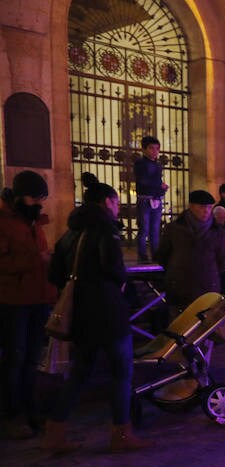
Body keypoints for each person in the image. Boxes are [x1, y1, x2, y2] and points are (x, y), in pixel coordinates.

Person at [44, 182, 152, 452]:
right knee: (122, 372)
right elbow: (114, 268)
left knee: (80, 373)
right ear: (107, 202)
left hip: (81, 314)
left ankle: (55, 434)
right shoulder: (106, 230)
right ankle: (121, 433)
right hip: (108, 313)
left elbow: (54, 274)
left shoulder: (70, 233)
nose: (117, 208)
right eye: (116, 203)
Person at [0, 171, 56, 439]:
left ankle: (33, 411)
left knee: (33, 359)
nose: (39, 203)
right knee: (15, 358)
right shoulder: (4, 222)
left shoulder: (34, 221)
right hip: (13, 302)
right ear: (21, 196)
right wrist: (38, 261)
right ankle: (13, 414)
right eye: (35, 198)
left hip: (38, 298)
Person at [156, 190, 225, 312]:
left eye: (209, 207)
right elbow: (163, 255)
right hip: (179, 289)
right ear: (191, 206)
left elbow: (223, 260)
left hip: (207, 289)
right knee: (179, 327)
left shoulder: (218, 232)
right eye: (202, 207)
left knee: (205, 328)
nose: (206, 211)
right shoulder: (174, 229)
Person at [134, 135, 168, 263]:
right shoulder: (140, 163)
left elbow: (156, 182)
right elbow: (142, 181)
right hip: (144, 200)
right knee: (144, 229)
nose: (155, 151)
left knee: (155, 229)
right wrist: (159, 186)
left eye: (157, 149)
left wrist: (162, 189)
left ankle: (155, 254)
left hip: (156, 199)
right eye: (151, 148)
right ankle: (142, 256)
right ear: (144, 149)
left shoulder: (158, 165)